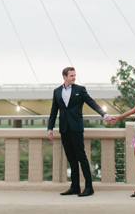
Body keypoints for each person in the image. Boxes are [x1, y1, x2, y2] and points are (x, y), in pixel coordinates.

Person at [47, 66, 111, 197]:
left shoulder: (80, 90)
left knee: (82, 157)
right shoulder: (57, 91)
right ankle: (75, 186)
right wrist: (50, 128)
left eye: (74, 75)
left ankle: (89, 187)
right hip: (64, 129)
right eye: (71, 76)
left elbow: (91, 103)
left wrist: (105, 115)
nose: (74, 78)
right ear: (64, 77)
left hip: (76, 128)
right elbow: (54, 111)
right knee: (71, 158)